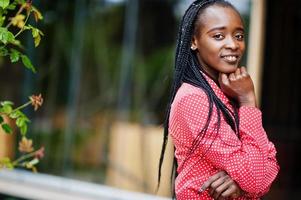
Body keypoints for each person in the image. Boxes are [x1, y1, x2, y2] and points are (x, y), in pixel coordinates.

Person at [157, 0, 279, 199]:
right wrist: (248, 100)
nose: (233, 44)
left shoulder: (225, 93)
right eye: (218, 36)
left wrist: (240, 182)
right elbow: (256, 178)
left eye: (239, 36)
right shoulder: (193, 98)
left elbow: (267, 168)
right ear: (193, 41)